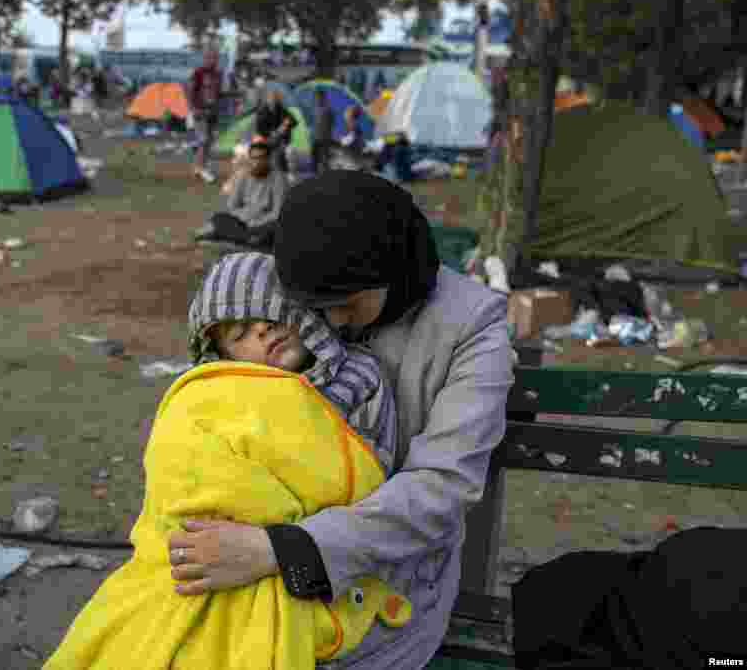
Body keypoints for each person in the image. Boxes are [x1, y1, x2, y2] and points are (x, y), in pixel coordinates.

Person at [166, 170, 516, 669]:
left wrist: (283, 551)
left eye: (345, 305)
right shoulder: (297, 283)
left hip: (386, 577)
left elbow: (441, 488)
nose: (327, 324)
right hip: (255, 536)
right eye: (314, 308)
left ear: (392, 271)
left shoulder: (470, 329)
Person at [44, 251, 411, 669]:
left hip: (305, 547)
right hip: (210, 541)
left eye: (271, 315)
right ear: (223, 357)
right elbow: (187, 469)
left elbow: (370, 470)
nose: (262, 331)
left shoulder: (359, 377)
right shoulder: (216, 398)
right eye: (239, 334)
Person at [194, 141, 288, 249]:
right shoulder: (243, 176)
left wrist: (255, 222)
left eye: (261, 158)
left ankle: (234, 237)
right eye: (253, 158)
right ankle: (247, 239)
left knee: (276, 227)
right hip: (243, 223)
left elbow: (278, 213)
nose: (256, 162)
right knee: (219, 218)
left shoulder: (278, 179)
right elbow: (232, 206)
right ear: (249, 159)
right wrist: (245, 219)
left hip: (264, 223)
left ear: (268, 160)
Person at [188, 46, 222, 183]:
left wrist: (233, 95)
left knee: (209, 142)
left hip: (212, 112)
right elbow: (190, 90)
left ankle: (199, 167)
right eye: (210, 57)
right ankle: (202, 169)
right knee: (204, 140)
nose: (213, 60)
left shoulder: (218, 74)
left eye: (215, 58)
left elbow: (218, 94)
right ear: (205, 58)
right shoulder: (198, 72)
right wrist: (192, 108)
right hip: (200, 111)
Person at [254, 89, 298, 175]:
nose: (273, 101)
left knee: (286, 152)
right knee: (264, 152)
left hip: (281, 140)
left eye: (275, 99)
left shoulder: (281, 109)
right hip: (267, 139)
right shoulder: (262, 111)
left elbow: (294, 121)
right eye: (271, 99)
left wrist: (286, 125)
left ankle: (287, 172)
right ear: (268, 100)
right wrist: (271, 133)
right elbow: (259, 129)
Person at [313, 88, 334, 175]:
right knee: (318, 157)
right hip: (318, 137)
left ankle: (325, 172)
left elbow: (331, 122)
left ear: (323, 97)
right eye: (316, 98)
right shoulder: (316, 108)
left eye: (318, 97)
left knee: (324, 157)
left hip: (324, 137)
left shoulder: (327, 109)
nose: (317, 99)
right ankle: (319, 172)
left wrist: (327, 133)